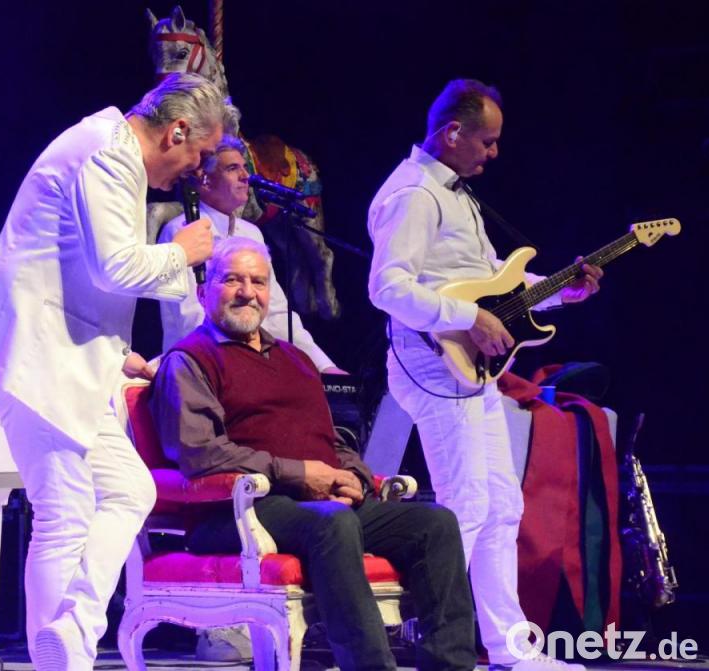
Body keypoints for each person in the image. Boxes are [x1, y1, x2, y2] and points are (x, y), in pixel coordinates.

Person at [0, 73, 239, 671]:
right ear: (178, 131)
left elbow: (74, 267)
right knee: (65, 510)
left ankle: (72, 628)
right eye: (201, 154)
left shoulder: (110, 150)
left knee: (131, 490)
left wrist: (115, 351)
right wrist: (183, 252)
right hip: (30, 352)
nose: (197, 171)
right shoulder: (108, 151)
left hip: (62, 356)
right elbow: (114, 267)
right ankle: (64, 658)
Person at [151, 236, 477, 671]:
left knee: (435, 524)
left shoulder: (295, 359)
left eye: (258, 282)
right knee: (333, 522)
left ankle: (451, 665)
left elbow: (332, 439)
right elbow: (200, 453)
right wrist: (300, 474)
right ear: (203, 292)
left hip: (315, 505)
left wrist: (353, 477)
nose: (247, 292)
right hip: (235, 512)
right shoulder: (190, 360)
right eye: (232, 280)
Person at [367, 79, 603, 671]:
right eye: (487, 141)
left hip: (473, 371)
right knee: (468, 503)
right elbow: (387, 287)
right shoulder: (415, 193)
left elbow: (489, 278)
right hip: (435, 367)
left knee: (502, 504)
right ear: (452, 132)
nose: (494, 153)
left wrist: (559, 293)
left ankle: (511, 649)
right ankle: (439, 645)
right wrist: (467, 318)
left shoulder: (457, 193)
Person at [158, 135, 345, 373]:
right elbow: (192, 318)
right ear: (204, 179)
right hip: (196, 368)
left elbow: (276, 314)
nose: (246, 176)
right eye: (232, 168)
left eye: (245, 167)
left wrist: (324, 367)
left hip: (248, 366)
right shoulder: (182, 230)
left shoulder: (251, 233)